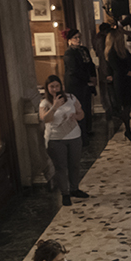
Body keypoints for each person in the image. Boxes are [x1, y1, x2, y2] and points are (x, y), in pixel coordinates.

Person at [39, 74, 87, 207]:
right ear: (47, 88)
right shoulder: (45, 103)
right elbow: (45, 119)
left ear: (61, 86)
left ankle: (74, 189)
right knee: (61, 167)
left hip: (74, 136)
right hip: (56, 139)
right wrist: (54, 107)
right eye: (52, 87)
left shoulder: (71, 98)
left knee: (75, 164)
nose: (55, 89)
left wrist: (76, 116)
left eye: (57, 86)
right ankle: (65, 193)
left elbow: (81, 113)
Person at [104, 25, 131, 142]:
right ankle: (127, 130)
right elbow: (119, 69)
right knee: (126, 106)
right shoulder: (112, 53)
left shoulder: (123, 50)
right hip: (122, 81)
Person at [63, 29, 97, 143]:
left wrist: (93, 76)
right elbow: (73, 70)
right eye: (75, 38)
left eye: (78, 37)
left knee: (87, 106)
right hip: (75, 84)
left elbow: (90, 64)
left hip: (85, 82)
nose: (77, 40)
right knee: (79, 107)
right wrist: (88, 78)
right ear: (69, 41)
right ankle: (81, 135)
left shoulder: (84, 50)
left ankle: (87, 129)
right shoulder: (69, 53)